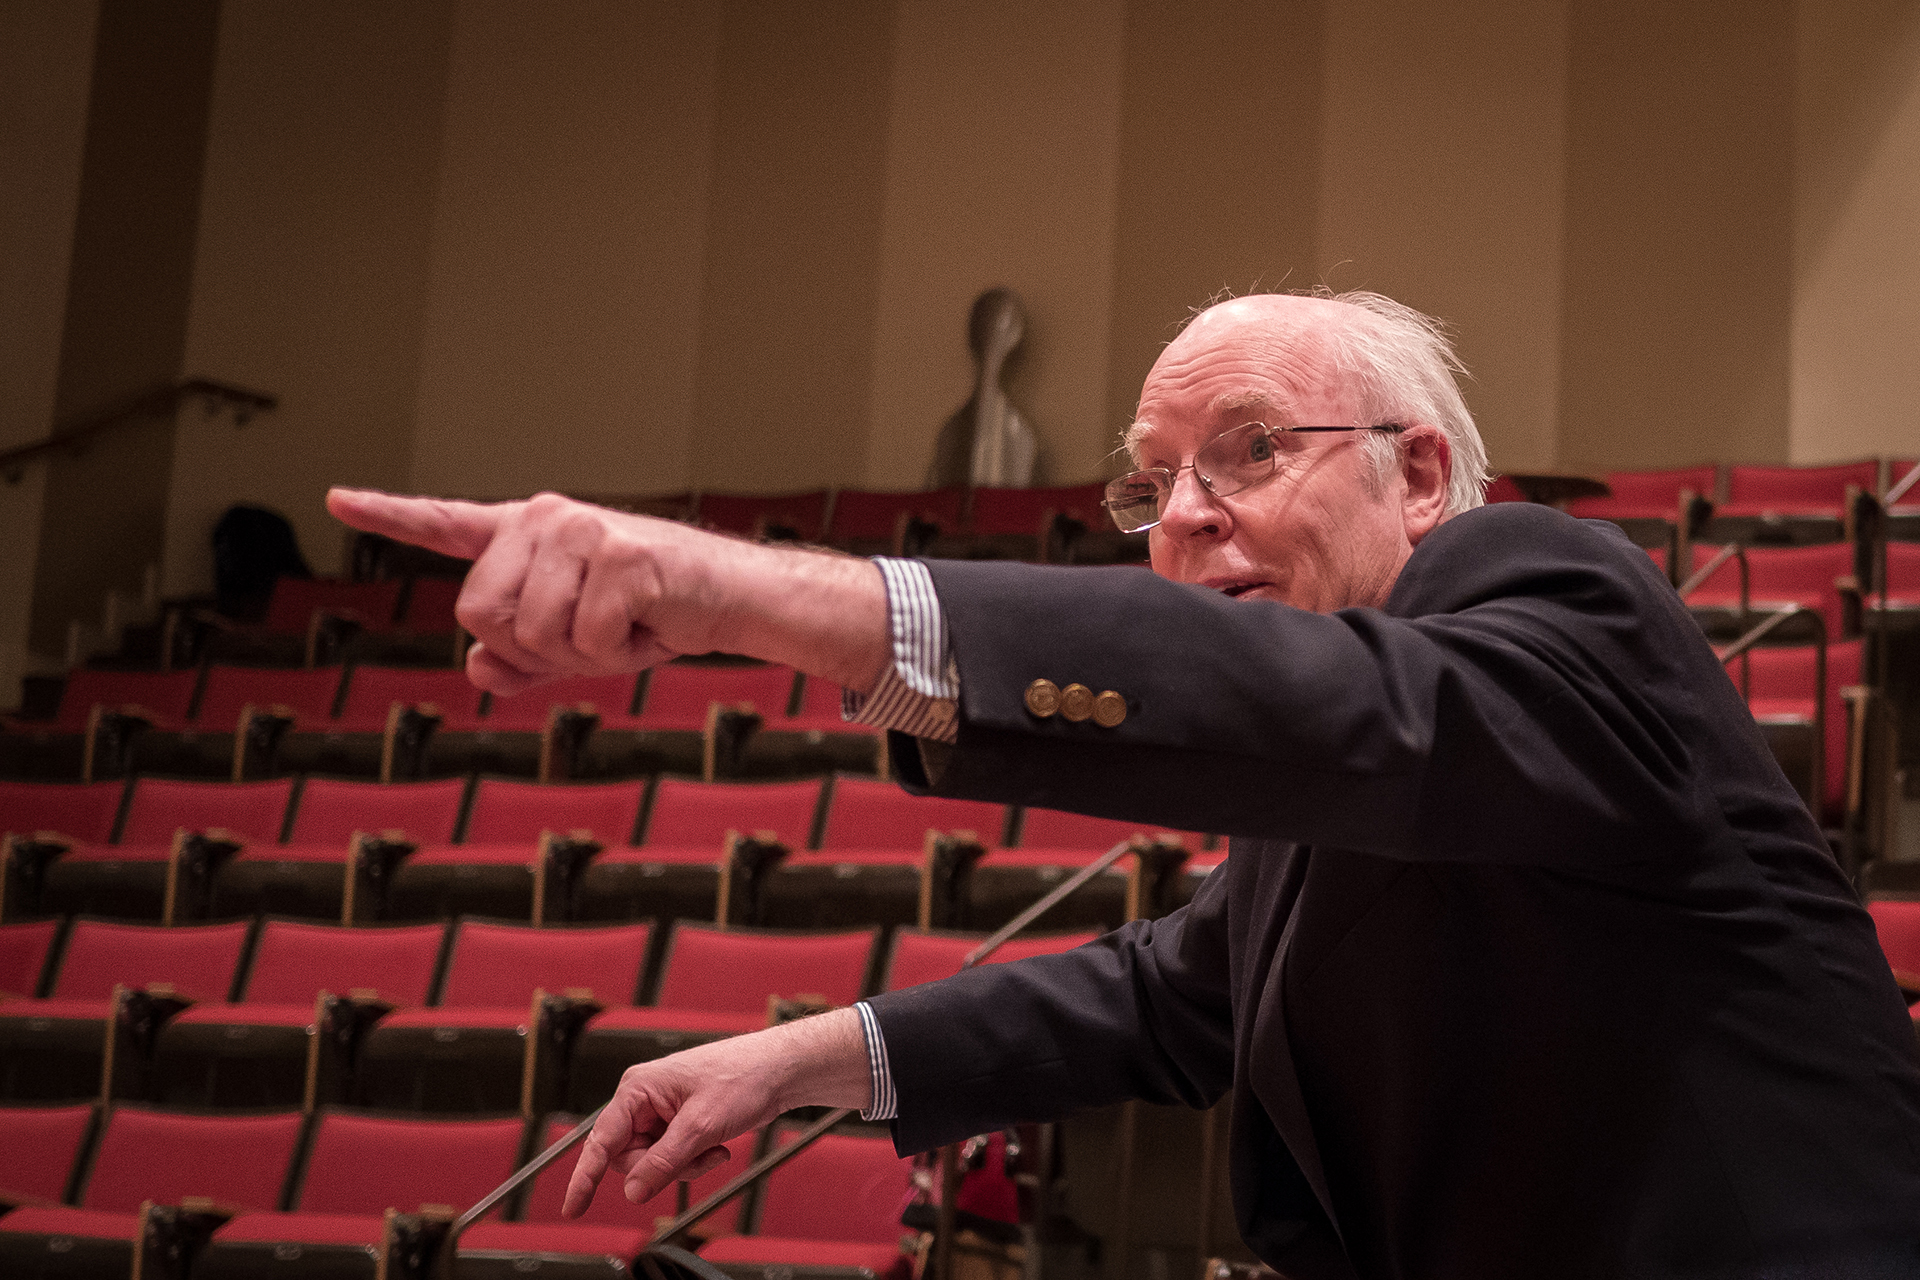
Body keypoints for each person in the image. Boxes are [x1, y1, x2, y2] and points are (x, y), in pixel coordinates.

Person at [328, 291, 1920, 1280]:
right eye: (1150, 484)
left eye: (1245, 451)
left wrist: (738, 597)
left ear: (1420, 474)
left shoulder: (1544, 599)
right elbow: (1185, 989)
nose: (1180, 519)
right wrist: (808, 1055)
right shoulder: (1333, 775)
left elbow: (1348, 711)